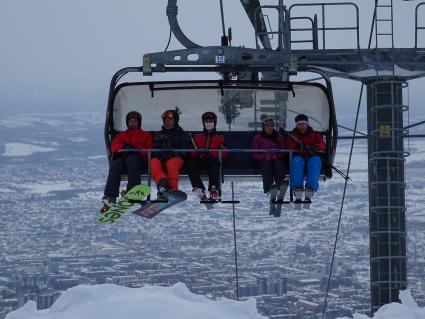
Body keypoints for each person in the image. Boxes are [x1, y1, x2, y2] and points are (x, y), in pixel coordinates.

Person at [102, 111, 152, 209]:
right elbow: (114, 146)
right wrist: (124, 146)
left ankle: (133, 191)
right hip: (124, 158)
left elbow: (149, 149)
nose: (132, 121)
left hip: (140, 160)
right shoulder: (122, 135)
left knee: (132, 159)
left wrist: (136, 150)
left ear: (139, 122)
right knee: (116, 164)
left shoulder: (145, 135)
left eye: (135, 119)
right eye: (130, 119)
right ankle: (110, 196)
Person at [151, 108, 193, 198]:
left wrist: (172, 154)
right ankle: (162, 185)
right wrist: (161, 156)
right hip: (161, 158)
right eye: (165, 120)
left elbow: (185, 150)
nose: (167, 122)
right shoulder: (158, 135)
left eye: (170, 119)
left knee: (172, 164)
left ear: (175, 120)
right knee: (153, 162)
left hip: (176, 158)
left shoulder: (182, 134)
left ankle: (173, 189)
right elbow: (154, 149)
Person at [186, 112, 227, 201]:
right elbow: (190, 151)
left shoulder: (220, 137)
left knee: (214, 163)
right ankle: (199, 190)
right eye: (206, 121)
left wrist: (212, 153)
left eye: (211, 120)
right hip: (199, 159)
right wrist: (196, 152)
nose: (209, 122)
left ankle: (214, 190)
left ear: (215, 122)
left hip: (212, 160)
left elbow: (224, 152)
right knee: (190, 164)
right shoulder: (196, 137)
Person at [285, 113, 326, 203]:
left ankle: (310, 188)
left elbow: (321, 144)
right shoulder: (292, 135)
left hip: (312, 156)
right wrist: (297, 147)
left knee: (315, 161)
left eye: (303, 124)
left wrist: (315, 147)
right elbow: (288, 145)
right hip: (299, 156)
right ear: (296, 125)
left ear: (307, 124)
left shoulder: (315, 134)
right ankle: (297, 188)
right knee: (296, 162)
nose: (301, 126)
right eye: (299, 124)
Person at [251, 117, 287, 194]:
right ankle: (269, 189)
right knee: (266, 164)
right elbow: (254, 154)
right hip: (264, 161)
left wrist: (277, 156)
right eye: (267, 126)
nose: (269, 128)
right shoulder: (257, 138)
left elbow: (283, 151)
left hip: (276, 159)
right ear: (263, 127)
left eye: (271, 125)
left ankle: (280, 188)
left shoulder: (279, 137)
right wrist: (264, 157)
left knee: (279, 164)